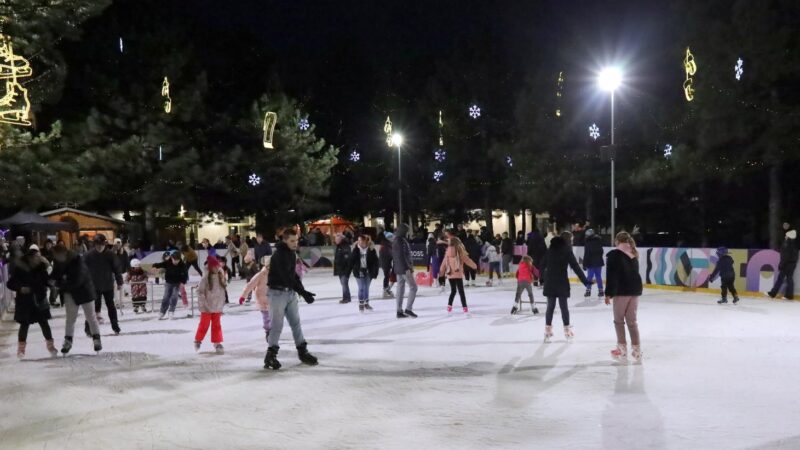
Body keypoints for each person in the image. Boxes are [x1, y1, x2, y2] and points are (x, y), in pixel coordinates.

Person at [264, 229, 318, 370]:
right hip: (277, 294)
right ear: (285, 240)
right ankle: (270, 356)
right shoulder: (279, 255)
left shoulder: (291, 253)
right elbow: (285, 277)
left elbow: (293, 275)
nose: (295, 243)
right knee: (277, 326)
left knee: (296, 323)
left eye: (296, 240)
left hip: (290, 293)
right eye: (292, 241)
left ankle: (302, 351)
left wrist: (303, 291)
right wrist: (302, 292)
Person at [50, 244, 102, 354]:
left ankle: (96, 339)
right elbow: (55, 275)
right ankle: (68, 341)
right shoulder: (58, 261)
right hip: (70, 293)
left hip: (85, 291)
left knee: (91, 317)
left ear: (63, 253)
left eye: (56, 255)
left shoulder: (78, 260)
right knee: (70, 319)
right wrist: (50, 280)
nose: (54, 257)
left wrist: (60, 284)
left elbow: (78, 280)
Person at [541, 232, 591, 343]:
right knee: (564, 307)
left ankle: (547, 331)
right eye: (571, 240)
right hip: (561, 282)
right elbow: (576, 267)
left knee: (550, 307)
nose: (572, 241)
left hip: (550, 281)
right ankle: (567, 331)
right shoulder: (567, 250)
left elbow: (542, 264)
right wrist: (585, 281)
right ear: (567, 240)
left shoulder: (550, 250)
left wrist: (541, 279)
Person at [8, 245, 56, 358]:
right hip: (25, 302)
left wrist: (51, 283)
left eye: (39, 257)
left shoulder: (41, 267)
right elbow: (10, 283)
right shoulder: (20, 268)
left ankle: (51, 346)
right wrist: (20, 288)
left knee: (44, 323)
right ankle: (21, 350)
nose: (38, 259)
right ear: (30, 258)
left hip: (39, 299)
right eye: (36, 258)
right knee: (24, 325)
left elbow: (45, 280)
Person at [605, 231, 644, 363]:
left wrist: (608, 293)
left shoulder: (614, 255)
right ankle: (637, 351)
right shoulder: (634, 253)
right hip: (635, 291)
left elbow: (611, 276)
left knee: (619, 321)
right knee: (632, 322)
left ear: (617, 241)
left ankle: (622, 350)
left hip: (622, 291)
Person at [84, 234, 124, 335]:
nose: (99, 247)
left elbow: (117, 269)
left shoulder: (110, 255)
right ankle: (88, 327)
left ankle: (115, 326)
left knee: (111, 306)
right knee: (93, 308)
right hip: (94, 286)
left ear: (105, 244)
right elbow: (82, 269)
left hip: (107, 285)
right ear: (94, 245)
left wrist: (119, 281)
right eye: (97, 245)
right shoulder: (88, 255)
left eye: (101, 245)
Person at [194, 256, 226, 354]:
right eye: (215, 266)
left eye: (218, 266)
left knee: (217, 325)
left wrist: (221, 303)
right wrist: (203, 303)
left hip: (217, 306)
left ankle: (217, 343)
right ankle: (198, 340)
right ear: (211, 267)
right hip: (206, 307)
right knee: (204, 324)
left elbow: (222, 290)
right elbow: (199, 292)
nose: (217, 268)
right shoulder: (205, 278)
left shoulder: (221, 275)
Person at [439, 237, 477, 314]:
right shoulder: (460, 252)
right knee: (461, 292)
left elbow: (443, 266)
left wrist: (441, 274)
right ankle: (465, 308)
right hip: (458, 275)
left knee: (453, 291)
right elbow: (468, 260)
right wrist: (474, 266)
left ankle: (449, 306)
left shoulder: (447, 253)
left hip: (450, 275)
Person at [241, 256, 271, 340]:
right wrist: (243, 296)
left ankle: (273, 331)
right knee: (266, 317)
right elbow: (250, 284)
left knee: (274, 317)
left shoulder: (277, 274)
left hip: (273, 299)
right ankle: (268, 331)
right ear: (267, 265)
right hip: (262, 299)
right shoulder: (261, 274)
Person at [152, 250, 188, 319]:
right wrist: (154, 266)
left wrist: (183, 282)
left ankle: (171, 311)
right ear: (171, 258)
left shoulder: (182, 265)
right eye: (174, 260)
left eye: (177, 260)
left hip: (177, 283)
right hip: (168, 283)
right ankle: (162, 312)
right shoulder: (168, 262)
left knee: (174, 297)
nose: (176, 262)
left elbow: (185, 275)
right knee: (166, 297)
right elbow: (159, 264)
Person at [392, 223, 418, 318]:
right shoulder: (400, 241)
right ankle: (408, 309)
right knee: (413, 287)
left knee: (400, 289)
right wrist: (408, 268)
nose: (407, 232)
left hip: (399, 268)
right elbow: (401, 256)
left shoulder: (396, 240)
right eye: (406, 230)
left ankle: (399, 311)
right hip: (404, 269)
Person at [349, 234, 379, 312]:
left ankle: (366, 303)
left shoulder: (371, 250)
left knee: (366, 288)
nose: (360, 242)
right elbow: (351, 262)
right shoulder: (355, 250)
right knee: (361, 287)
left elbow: (376, 262)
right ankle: (361, 304)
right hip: (358, 271)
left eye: (361, 241)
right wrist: (348, 271)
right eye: (358, 240)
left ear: (365, 241)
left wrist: (375, 272)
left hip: (368, 272)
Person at [767, 225, 798, 300]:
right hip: (792, 263)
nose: (785, 236)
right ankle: (789, 295)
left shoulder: (787, 243)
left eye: (786, 235)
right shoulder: (794, 243)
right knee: (789, 278)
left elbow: (785, 256)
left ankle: (773, 293)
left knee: (780, 278)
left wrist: (781, 264)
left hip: (786, 264)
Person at [583, 229, 605, 298]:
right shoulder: (599, 241)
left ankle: (588, 291)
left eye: (587, 235)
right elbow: (601, 251)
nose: (586, 236)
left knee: (589, 277)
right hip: (598, 262)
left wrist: (584, 264)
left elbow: (586, 254)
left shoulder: (588, 242)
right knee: (598, 276)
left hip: (590, 262)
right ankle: (601, 291)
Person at [333, 233, 353, 304]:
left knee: (344, 283)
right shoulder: (339, 246)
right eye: (335, 238)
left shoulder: (344, 246)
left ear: (341, 239)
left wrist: (347, 271)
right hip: (341, 269)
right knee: (343, 283)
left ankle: (346, 298)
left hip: (344, 269)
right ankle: (347, 297)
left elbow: (348, 259)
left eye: (336, 238)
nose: (335, 240)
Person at [380, 232, 395, 298]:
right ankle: (385, 289)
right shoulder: (386, 245)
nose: (392, 238)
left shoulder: (387, 244)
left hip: (386, 263)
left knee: (387, 276)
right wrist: (394, 256)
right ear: (388, 238)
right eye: (391, 237)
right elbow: (388, 254)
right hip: (386, 263)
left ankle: (386, 289)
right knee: (387, 276)